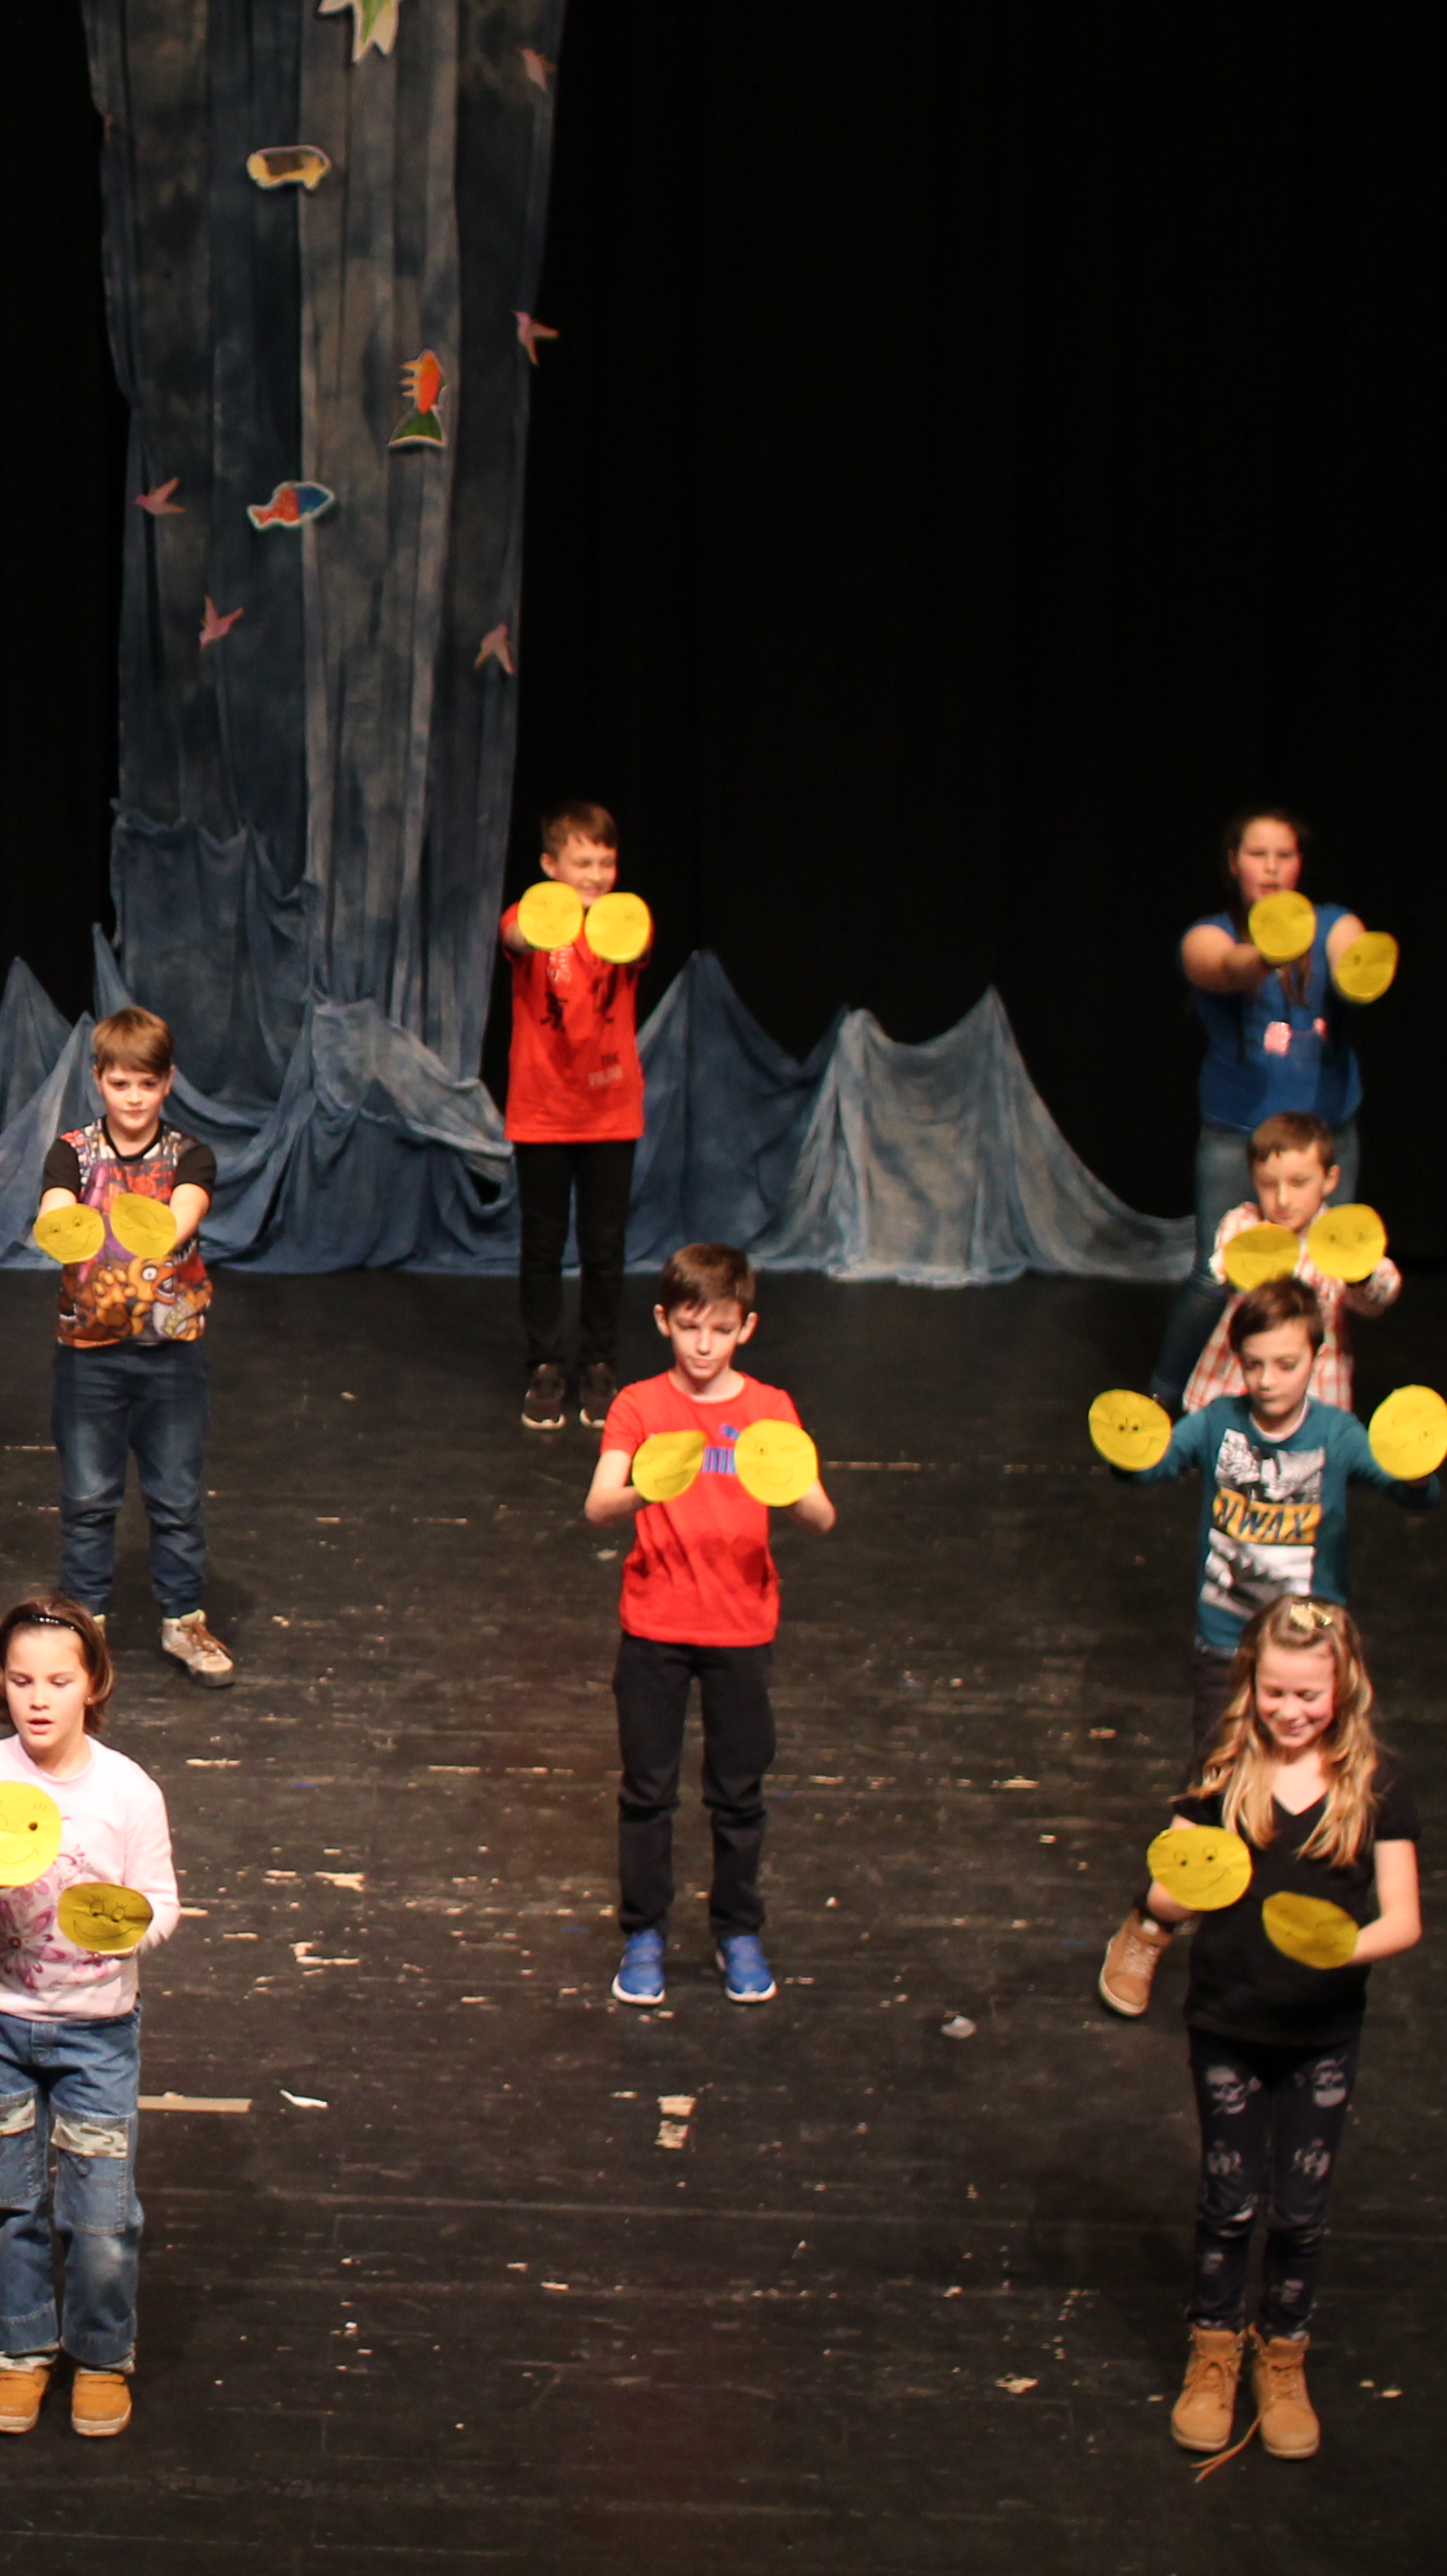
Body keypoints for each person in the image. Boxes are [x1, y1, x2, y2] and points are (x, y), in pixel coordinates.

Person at [1099, 1596, 1416, 2461]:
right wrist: (1170, 1896)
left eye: (1308, 1695)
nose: (1290, 1710)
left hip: (1322, 2035)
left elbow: (1404, 1919)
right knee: (1229, 2200)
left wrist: (1337, 1947)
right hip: (1229, 2025)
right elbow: (1169, 1885)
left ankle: (1283, 2359)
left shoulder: (1377, 1783)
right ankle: (1213, 2355)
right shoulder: (1222, 1768)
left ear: (1342, 1689)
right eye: (1275, 1692)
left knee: (1301, 2213)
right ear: (1251, 1684)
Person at [0, 1596, 181, 2440]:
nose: (38, 1698)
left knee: (102, 2212)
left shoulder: (128, 1789)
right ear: (3, 1683)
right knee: (0, 2202)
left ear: (92, 1684)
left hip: (97, 2030)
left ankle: (100, 2356)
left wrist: (124, 1927)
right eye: (23, 1679)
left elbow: (162, 1903)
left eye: (59, 1681)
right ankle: (20, 2351)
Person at [585, 1245, 836, 2009]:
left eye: (720, 1330)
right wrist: (649, 1485)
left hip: (740, 1629)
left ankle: (737, 1930)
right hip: (656, 1626)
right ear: (664, 1321)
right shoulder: (639, 1405)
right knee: (647, 1791)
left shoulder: (770, 1408)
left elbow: (822, 1515)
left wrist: (791, 1489)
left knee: (738, 1793)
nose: (703, 1346)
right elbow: (598, 1505)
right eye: (690, 1327)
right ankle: (644, 1933)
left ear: (745, 1329)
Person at [1105, 1278, 1437, 1759]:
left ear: (1315, 1358)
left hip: (1309, 1643)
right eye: (1253, 1364)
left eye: (1286, 1365)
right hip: (1226, 1639)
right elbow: (1154, 1464)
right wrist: (1126, 1449)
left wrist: (1417, 1473)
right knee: (1217, 1762)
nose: (1266, 1381)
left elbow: (1408, 1490)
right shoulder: (1218, 1420)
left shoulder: (1336, 1434)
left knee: (1312, 1765)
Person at [38, 1006, 232, 1684]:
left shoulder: (189, 1155)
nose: (134, 1098)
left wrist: (161, 1228)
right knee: (89, 1497)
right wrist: (63, 1222)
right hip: (89, 1354)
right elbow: (55, 1208)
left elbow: (186, 1209)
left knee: (175, 1496)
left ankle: (182, 1621)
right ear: (99, 1079)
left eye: (147, 1085)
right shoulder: (72, 1152)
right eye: (120, 1084)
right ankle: (82, 1628)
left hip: (169, 1355)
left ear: (167, 1082)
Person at [1151, 811, 1371, 1403]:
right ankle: (1162, 1399)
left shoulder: (1334, 922)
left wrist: (1359, 965)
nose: (1271, 868)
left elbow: (1353, 959)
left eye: (1285, 855)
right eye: (1257, 855)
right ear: (1234, 863)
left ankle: (1310, 1402)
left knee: (1327, 1273)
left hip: (1325, 1132)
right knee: (1216, 1275)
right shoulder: (1210, 933)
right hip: (1239, 1133)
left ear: (1300, 864)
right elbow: (1223, 968)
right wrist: (1267, 952)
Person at [500, 801, 646, 1430]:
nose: (595, 874)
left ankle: (599, 1365)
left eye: (605, 862)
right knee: (542, 1245)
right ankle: (544, 1364)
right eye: (581, 862)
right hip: (542, 1113)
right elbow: (515, 936)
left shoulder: (625, 921)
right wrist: (541, 926)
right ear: (550, 865)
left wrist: (609, 922)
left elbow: (635, 944)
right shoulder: (528, 916)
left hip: (610, 1112)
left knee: (604, 1249)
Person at [1169, 1113, 1400, 1417]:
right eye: (1268, 1184)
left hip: (1314, 1384)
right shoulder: (1245, 1224)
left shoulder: (1340, 1240)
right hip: (1244, 1377)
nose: (1283, 1199)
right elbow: (1224, 1268)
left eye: (1299, 1183)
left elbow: (1378, 1295)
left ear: (1329, 1179)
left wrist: (1360, 1274)